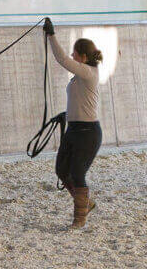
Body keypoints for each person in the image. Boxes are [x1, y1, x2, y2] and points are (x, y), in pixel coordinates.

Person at [43, 19, 103, 229]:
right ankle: (85, 203)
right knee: (62, 170)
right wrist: (66, 114)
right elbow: (79, 100)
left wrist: (51, 36)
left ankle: (79, 218)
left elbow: (61, 59)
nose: (72, 57)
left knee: (77, 173)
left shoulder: (88, 73)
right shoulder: (81, 76)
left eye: (75, 54)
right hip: (74, 128)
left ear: (84, 57)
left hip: (88, 132)